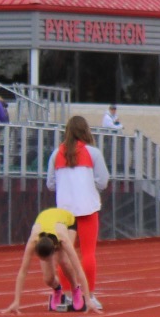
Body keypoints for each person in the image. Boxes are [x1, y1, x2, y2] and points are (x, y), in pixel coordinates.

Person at [48, 115, 109, 294]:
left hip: (64, 211)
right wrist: (89, 186)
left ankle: (68, 294)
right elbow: (103, 181)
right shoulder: (93, 153)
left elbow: (50, 184)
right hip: (88, 208)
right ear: (85, 131)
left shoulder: (56, 154)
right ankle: (88, 294)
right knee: (88, 253)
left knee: (64, 254)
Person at [6, 207, 102, 313]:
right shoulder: (33, 241)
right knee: (48, 278)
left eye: (48, 259)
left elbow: (78, 269)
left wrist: (88, 300)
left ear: (53, 251)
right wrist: (16, 301)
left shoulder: (63, 239)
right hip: (46, 221)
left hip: (67, 222)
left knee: (64, 260)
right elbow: (23, 272)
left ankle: (75, 289)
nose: (47, 261)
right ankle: (57, 289)